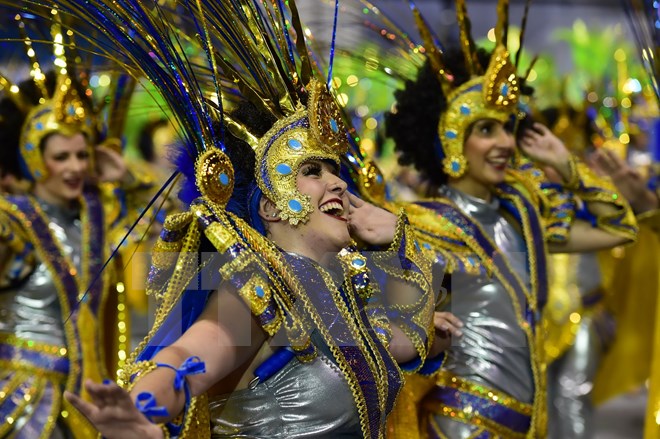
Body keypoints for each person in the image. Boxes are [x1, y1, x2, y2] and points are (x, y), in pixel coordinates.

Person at [43, 0, 441, 437]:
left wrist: (400, 242)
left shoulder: (345, 286)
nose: (338, 183)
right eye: (311, 171)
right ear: (270, 208)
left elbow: (407, 339)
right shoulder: (265, 286)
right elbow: (186, 357)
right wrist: (143, 408)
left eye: (335, 171)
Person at [380, 2, 638, 437]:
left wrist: (568, 165)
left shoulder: (522, 215)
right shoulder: (421, 226)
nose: (504, 142)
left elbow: (620, 228)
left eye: (507, 127)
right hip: (460, 426)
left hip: (529, 424)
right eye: (485, 129)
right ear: (451, 139)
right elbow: (398, 356)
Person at [0, 53, 152, 439]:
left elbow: (165, 226)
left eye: (82, 155)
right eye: (60, 157)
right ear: (35, 160)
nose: (74, 167)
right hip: (22, 391)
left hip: (86, 396)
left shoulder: (96, 217)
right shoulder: (13, 219)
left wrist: (128, 177)